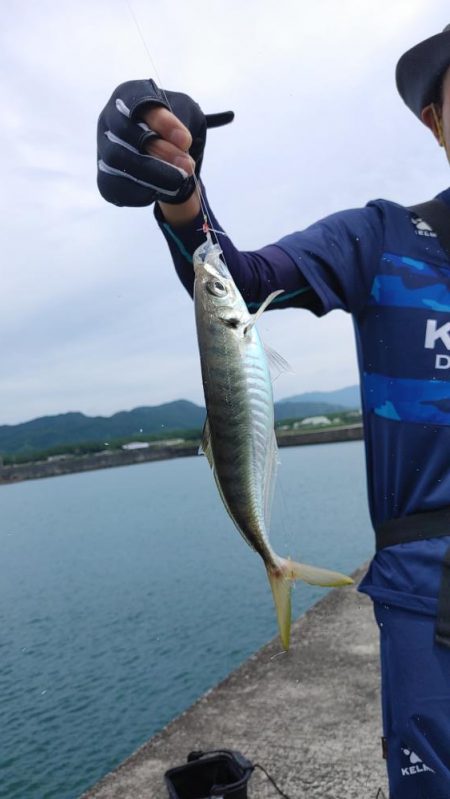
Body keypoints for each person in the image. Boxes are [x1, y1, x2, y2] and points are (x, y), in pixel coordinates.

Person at [97, 25, 450, 799]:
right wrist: (181, 192)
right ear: (435, 119)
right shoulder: (383, 240)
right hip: (431, 611)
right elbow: (239, 277)